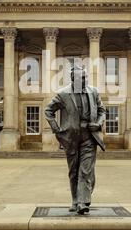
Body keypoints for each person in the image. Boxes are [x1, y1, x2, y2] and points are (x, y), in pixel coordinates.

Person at [45, 66, 106, 215]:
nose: (85, 80)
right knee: (74, 171)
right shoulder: (63, 94)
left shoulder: (93, 92)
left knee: (85, 171)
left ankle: (82, 202)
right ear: (73, 80)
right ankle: (75, 200)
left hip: (89, 137)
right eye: (81, 78)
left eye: (86, 77)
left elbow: (101, 110)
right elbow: (49, 111)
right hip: (70, 138)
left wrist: (98, 123)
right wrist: (57, 130)